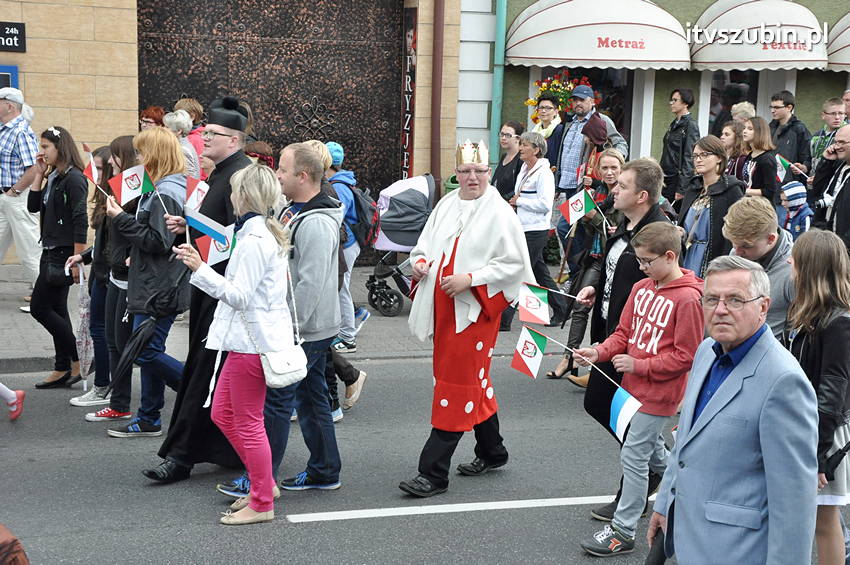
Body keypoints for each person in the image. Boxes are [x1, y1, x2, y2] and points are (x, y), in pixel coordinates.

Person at [648, 255, 818, 565]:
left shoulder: (784, 381)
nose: (721, 309)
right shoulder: (706, 352)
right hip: (689, 537)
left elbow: (794, 504)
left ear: (763, 307)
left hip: (738, 552)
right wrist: (664, 502)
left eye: (735, 300)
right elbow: (685, 441)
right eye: (712, 299)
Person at [398, 140, 535, 498]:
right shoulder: (446, 204)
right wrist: (421, 262)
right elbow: (425, 246)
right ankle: (492, 451)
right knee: (471, 379)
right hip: (445, 305)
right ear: (456, 174)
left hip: (476, 308)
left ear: (489, 172)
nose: (472, 177)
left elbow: (514, 263)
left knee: (456, 384)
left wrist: (469, 279)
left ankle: (433, 473)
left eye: (479, 170)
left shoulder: (501, 212)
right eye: (465, 171)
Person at [575, 222, 704, 556]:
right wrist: (599, 351)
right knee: (653, 451)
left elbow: (686, 356)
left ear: (670, 256)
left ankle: (623, 529)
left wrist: (640, 365)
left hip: (659, 393)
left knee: (634, 455)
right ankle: (696, 488)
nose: (642, 267)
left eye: (647, 261)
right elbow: (623, 334)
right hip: (631, 389)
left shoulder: (689, 298)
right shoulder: (642, 287)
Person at [173, 163, 291, 526]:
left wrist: (199, 269)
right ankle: (263, 484)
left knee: (247, 421)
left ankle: (261, 500)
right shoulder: (255, 234)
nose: (231, 195)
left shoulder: (256, 240)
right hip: (245, 342)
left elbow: (239, 296)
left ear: (244, 196)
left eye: (235, 190)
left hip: (252, 345)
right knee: (223, 413)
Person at [144, 96, 251, 483]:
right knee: (209, 376)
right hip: (208, 285)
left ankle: (181, 457)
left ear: (234, 140)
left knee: (205, 375)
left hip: (225, 292)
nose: (202, 138)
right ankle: (231, 449)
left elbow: (243, 237)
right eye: (204, 133)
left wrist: (201, 238)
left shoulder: (242, 176)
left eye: (212, 134)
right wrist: (185, 226)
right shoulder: (219, 171)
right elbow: (212, 225)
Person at [574, 158, 671, 521]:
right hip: (609, 333)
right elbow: (606, 263)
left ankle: (636, 486)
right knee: (598, 404)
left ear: (642, 195)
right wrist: (592, 285)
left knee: (613, 408)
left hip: (635, 345)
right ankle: (658, 462)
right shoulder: (624, 224)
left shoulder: (659, 233)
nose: (614, 189)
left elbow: (666, 290)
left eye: (623, 186)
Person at [265, 142, 344, 491]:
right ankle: (324, 471)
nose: (276, 174)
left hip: (306, 329)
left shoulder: (315, 222)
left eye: (282, 169)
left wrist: (290, 330)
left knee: (279, 401)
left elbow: (310, 283)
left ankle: (259, 481)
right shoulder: (293, 210)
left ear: (302, 175)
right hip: (307, 327)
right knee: (311, 401)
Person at [104, 127, 189, 438]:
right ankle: (149, 417)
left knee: (143, 351)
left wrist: (120, 219)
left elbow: (158, 241)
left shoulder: (166, 192)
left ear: (154, 155)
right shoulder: (164, 187)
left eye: (141, 152)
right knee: (150, 348)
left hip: (158, 287)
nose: (137, 158)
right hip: (155, 284)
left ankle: (194, 393)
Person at [785, 229, 850, 565]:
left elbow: (833, 392)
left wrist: (819, 454)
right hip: (805, 426)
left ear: (809, 267)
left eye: (794, 260)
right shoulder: (805, 311)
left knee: (824, 521)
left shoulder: (838, 321)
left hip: (823, 434)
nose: (788, 263)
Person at [546, 148, 624, 383]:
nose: (609, 173)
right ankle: (569, 357)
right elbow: (568, 220)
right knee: (580, 306)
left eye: (614, 168)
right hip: (595, 257)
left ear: (622, 168)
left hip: (619, 261)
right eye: (605, 168)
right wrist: (584, 213)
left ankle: (600, 365)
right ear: (598, 170)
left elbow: (618, 230)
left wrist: (595, 218)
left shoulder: (625, 192)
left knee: (610, 313)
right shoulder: (595, 192)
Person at [27, 126, 88, 389]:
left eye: (45, 147)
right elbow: (32, 206)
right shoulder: (54, 176)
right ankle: (62, 366)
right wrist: (39, 175)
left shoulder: (74, 179)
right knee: (57, 308)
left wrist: (77, 259)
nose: (42, 152)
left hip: (64, 252)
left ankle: (77, 358)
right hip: (50, 248)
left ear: (59, 148)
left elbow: (80, 219)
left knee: (39, 308)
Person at [84, 136, 138, 423]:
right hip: (110, 272)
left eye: (112, 160)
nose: (107, 169)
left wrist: (130, 255)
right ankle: (118, 402)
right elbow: (107, 235)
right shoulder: (115, 190)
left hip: (125, 276)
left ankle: (120, 400)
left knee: (135, 347)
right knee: (113, 339)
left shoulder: (134, 192)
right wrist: (88, 257)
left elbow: (140, 232)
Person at [502, 132, 565, 330]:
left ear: (536, 150)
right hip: (522, 227)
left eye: (525, 145)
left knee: (520, 271)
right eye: (520, 144)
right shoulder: (523, 168)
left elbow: (546, 204)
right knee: (539, 272)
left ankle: (504, 320)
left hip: (536, 230)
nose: (520, 148)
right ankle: (562, 309)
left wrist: (519, 201)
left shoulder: (544, 173)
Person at [66, 146, 114, 406]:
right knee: (100, 330)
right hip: (100, 271)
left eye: (100, 166)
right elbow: (103, 240)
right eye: (93, 166)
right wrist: (84, 256)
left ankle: (104, 386)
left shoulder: (119, 195)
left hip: (111, 275)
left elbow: (117, 241)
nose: (95, 173)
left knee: (103, 331)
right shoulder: (104, 193)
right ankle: (107, 384)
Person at [723, 196, 794, 338]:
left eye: (745, 246)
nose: (736, 252)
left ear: (770, 239)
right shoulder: (738, 253)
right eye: (733, 243)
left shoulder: (793, 271)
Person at [678, 135, 744, 278]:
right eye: (695, 156)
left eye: (704, 154)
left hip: (714, 259)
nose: (698, 159)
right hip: (687, 256)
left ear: (719, 157)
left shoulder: (731, 190)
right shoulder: (693, 189)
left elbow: (738, 231)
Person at [0, 88, 41, 302]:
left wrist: (14, 191)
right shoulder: (4, 129)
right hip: (5, 197)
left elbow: (33, 167)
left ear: (9, 105)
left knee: (29, 250)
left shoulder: (21, 131)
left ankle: (44, 296)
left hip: (17, 197)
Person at [324, 141, 361, 354]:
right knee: (340, 287)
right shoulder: (342, 182)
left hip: (346, 244)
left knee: (342, 288)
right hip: (348, 243)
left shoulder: (338, 186)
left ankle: (348, 337)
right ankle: (346, 329)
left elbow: (335, 218)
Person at [811, 124, 850, 250]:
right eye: (836, 142)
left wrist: (845, 245)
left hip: (844, 247)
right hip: (827, 241)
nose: (837, 147)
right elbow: (817, 190)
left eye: (842, 142)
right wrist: (827, 161)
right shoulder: (838, 164)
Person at [660, 88, 701, 202]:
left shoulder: (690, 125)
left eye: (675, 100)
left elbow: (690, 156)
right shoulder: (674, 124)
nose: (671, 103)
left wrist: (682, 188)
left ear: (685, 103)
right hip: (666, 177)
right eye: (671, 100)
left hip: (677, 179)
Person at [769, 90, 811, 185]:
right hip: (770, 180)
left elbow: (807, 155)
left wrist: (804, 167)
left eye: (776, 107)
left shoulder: (799, 129)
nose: (772, 110)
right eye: (771, 107)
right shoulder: (770, 127)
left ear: (789, 107)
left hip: (789, 184)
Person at [743, 117, 780, 209]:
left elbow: (770, 190)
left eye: (750, 129)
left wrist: (746, 191)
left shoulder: (767, 159)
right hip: (748, 204)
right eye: (744, 128)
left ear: (760, 132)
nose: (744, 131)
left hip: (762, 209)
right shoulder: (750, 155)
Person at [811, 98, 847, 175]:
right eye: (833, 113)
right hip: (814, 181)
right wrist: (804, 167)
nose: (837, 117)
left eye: (841, 113)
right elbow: (810, 158)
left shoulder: (846, 136)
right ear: (823, 115)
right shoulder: (816, 136)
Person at [163, 109, 200, 178]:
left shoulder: (183, 150)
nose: (163, 129)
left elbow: (188, 179)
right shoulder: (180, 145)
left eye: (167, 127)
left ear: (179, 131)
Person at [492, 121, 524, 200]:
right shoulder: (504, 156)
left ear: (518, 138)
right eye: (502, 134)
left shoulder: (521, 160)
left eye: (508, 135)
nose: (503, 138)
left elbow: (519, 188)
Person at [173, 97, 205, 167]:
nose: (175, 118)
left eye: (180, 114)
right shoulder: (185, 135)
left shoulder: (195, 139)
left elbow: (200, 168)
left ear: (192, 117)